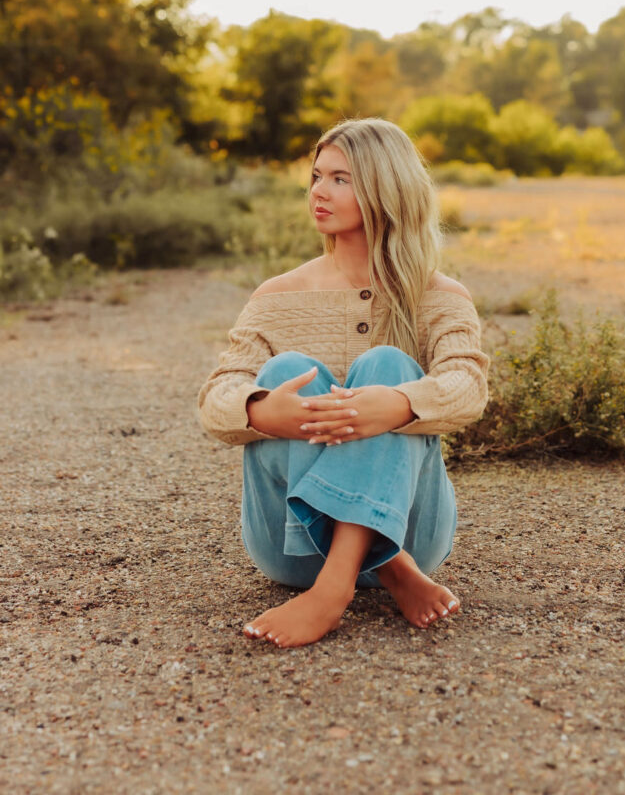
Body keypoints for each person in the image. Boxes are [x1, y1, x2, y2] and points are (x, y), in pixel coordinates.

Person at [198, 118, 489, 648]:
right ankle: (390, 568)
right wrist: (261, 410)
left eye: (340, 179)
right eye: (316, 176)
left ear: (386, 187)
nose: (318, 191)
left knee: (389, 365)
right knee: (285, 372)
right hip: (291, 547)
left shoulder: (440, 296)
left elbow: (467, 385)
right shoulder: (277, 297)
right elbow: (216, 397)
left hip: (410, 531)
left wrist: (398, 404)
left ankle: (334, 590)